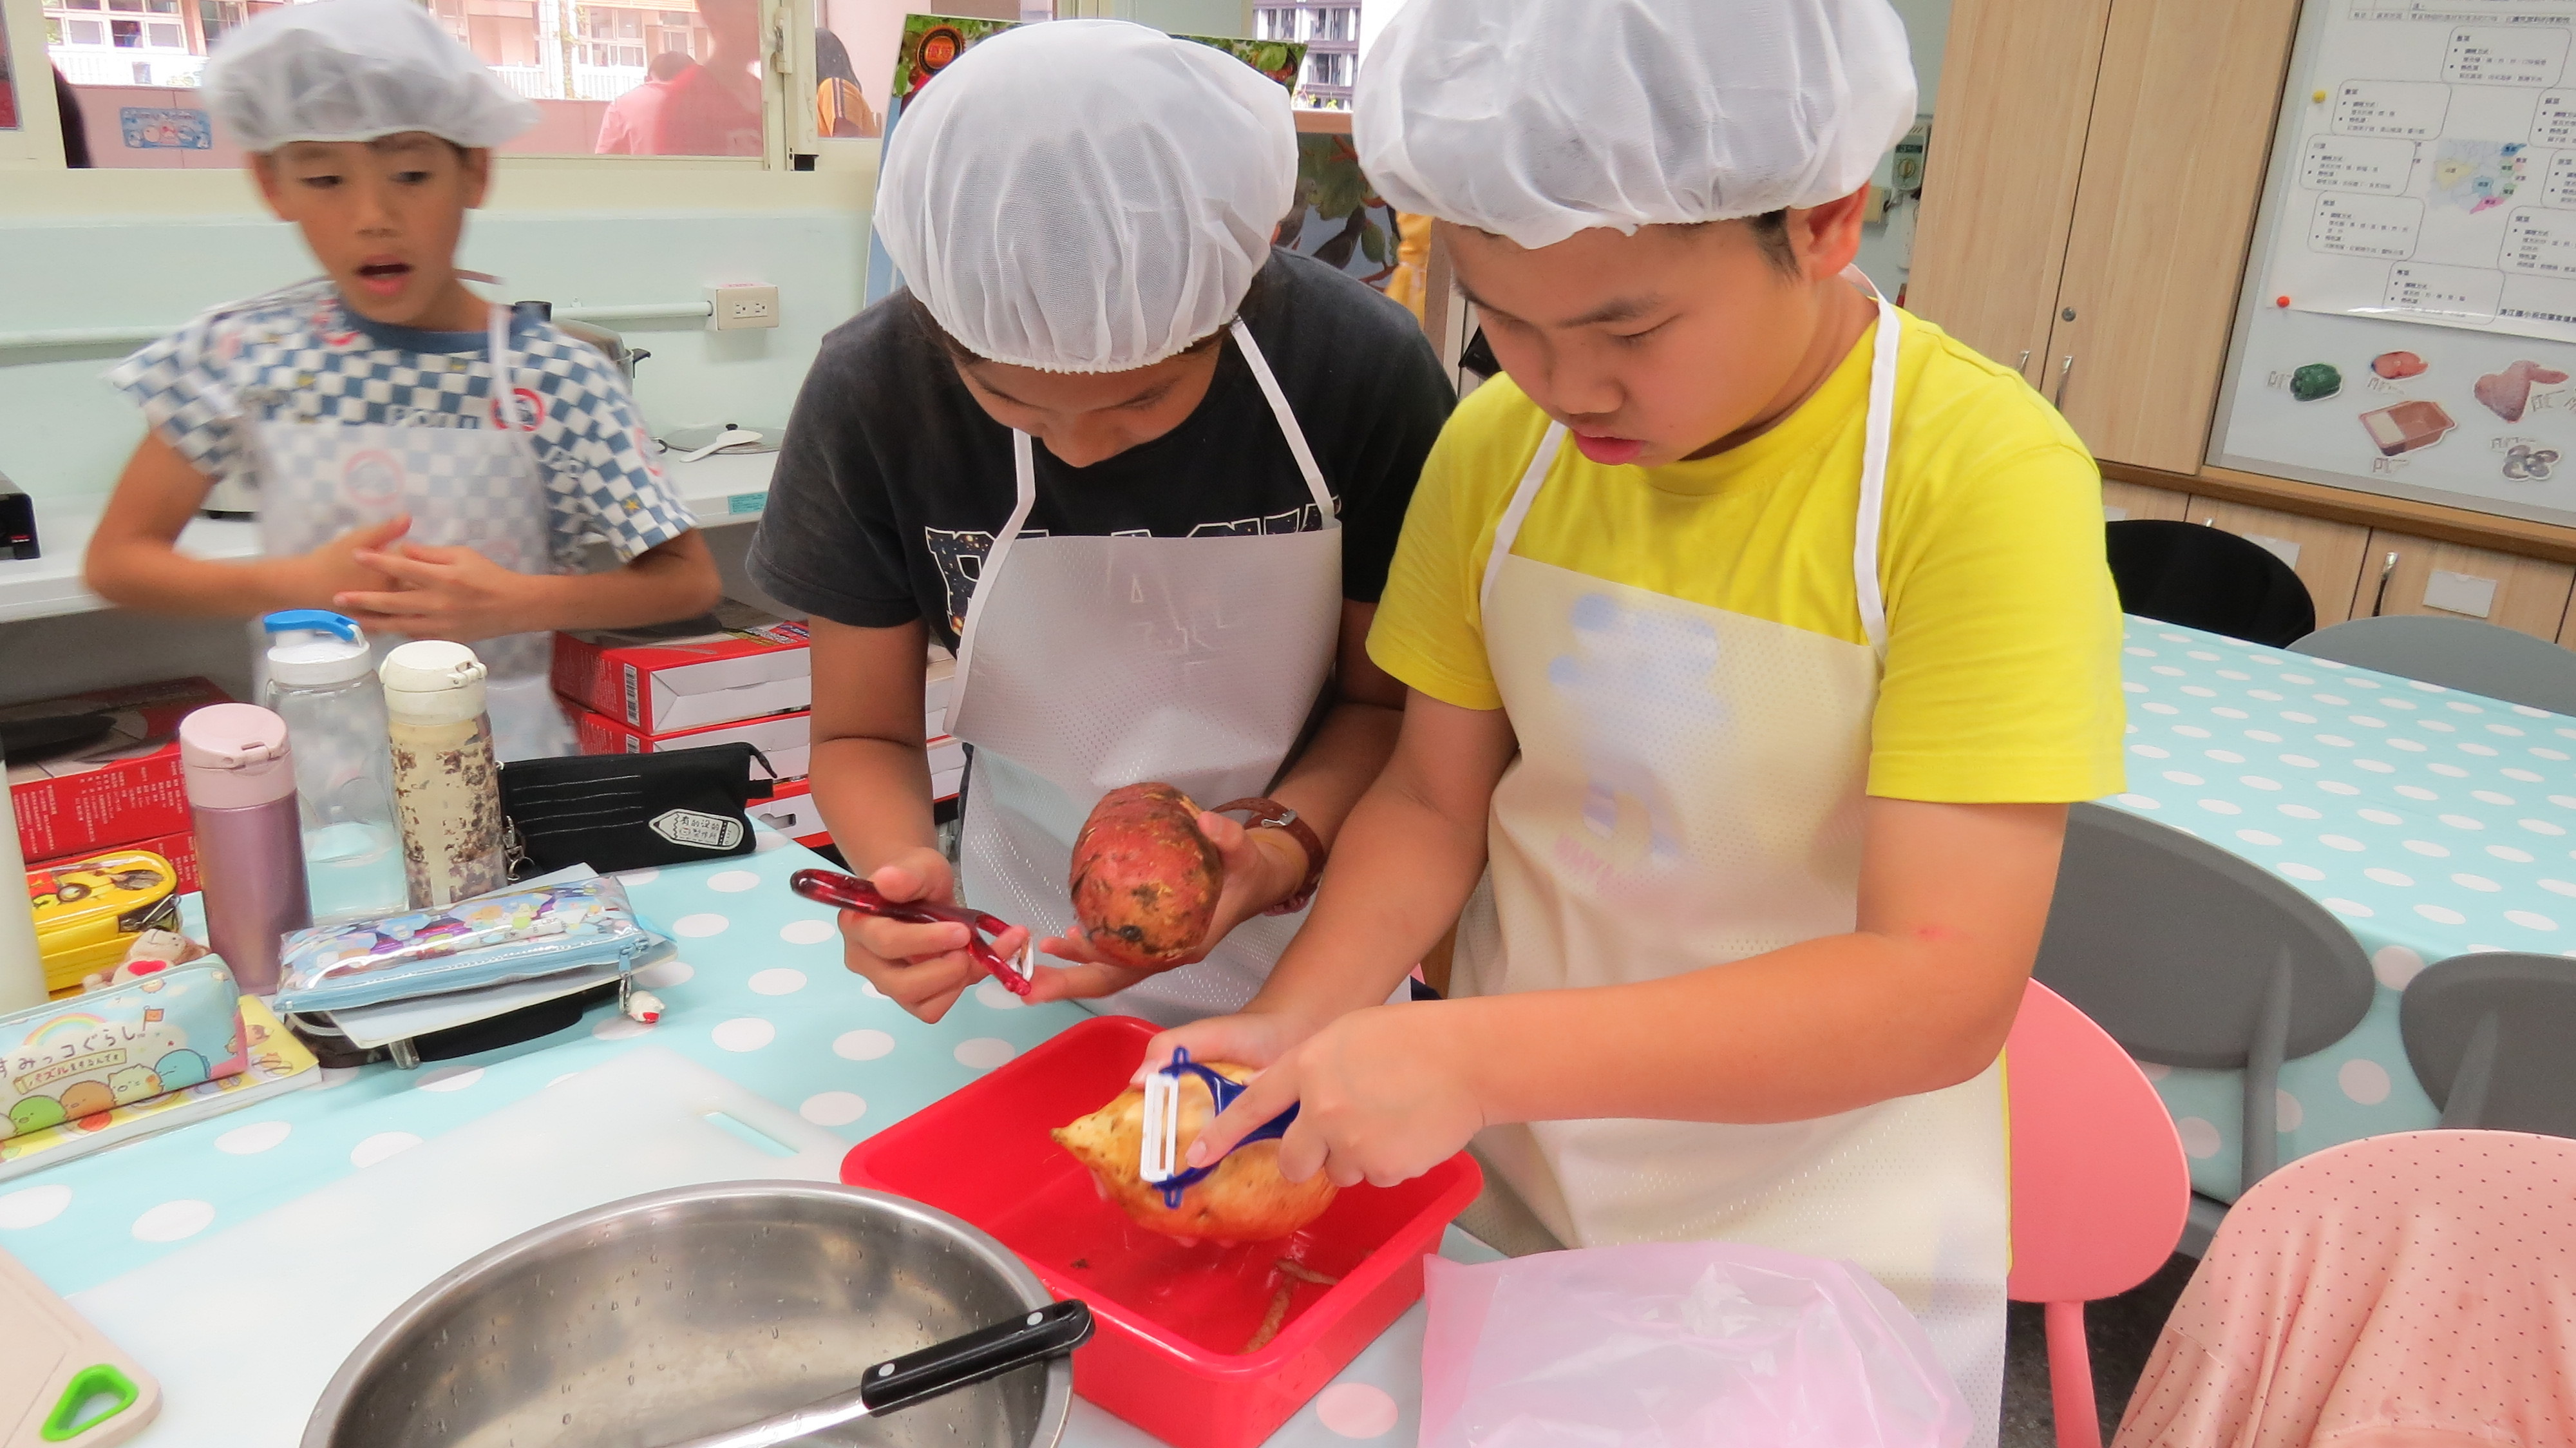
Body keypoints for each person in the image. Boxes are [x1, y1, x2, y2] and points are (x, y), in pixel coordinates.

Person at [1153, 0, 2126, 1441]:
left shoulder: (1974, 478)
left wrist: (1472, 1052)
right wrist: (1298, 1019)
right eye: (1506, 318)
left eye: (1629, 326)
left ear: (1826, 219)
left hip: (1813, 1249)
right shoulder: (1500, 447)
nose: (1565, 386)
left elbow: (1937, 985)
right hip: (1500, 1185)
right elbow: (1432, 803)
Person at [747, 20, 1454, 1026]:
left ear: (1237, 288)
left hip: (1326, 938)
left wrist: (1277, 850)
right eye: (1014, 403)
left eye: (1144, 401)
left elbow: (1390, 712)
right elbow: (862, 729)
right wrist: (901, 874)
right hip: (1023, 955)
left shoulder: (1357, 371)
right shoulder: (875, 394)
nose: (1079, 448)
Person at [84, 0, 719, 760]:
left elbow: (685, 580)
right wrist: (299, 582)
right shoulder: (239, 351)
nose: (373, 215)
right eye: (324, 177)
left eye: (411, 173)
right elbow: (119, 560)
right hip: (320, 777)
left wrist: (516, 602)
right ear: (271, 184)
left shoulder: (556, 373)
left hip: (505, 765)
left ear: (475, 170)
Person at [647, 0, 761, 156]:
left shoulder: (771, 96)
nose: (763, 20)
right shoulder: (687, 101)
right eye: (752, 8)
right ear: (713, 14)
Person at [595, 50, 700, 155]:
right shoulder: (704, 102)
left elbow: (603, 159)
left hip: (640, 170)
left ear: (648, 78)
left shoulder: (621, 105)